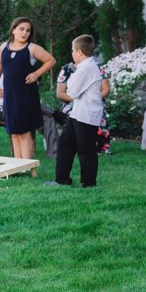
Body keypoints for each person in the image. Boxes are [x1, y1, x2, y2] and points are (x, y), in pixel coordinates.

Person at [50, 35, 109, 188]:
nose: (72, 53)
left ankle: (89, 183)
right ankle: (62, 179)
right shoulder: (85, 66)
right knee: (65, 144)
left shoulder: (85, 68)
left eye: (72, 50)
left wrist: (71, 82)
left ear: (80, 52)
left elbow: (72, 92)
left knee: (86, 149)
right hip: (78, 113)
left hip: (87, 116)